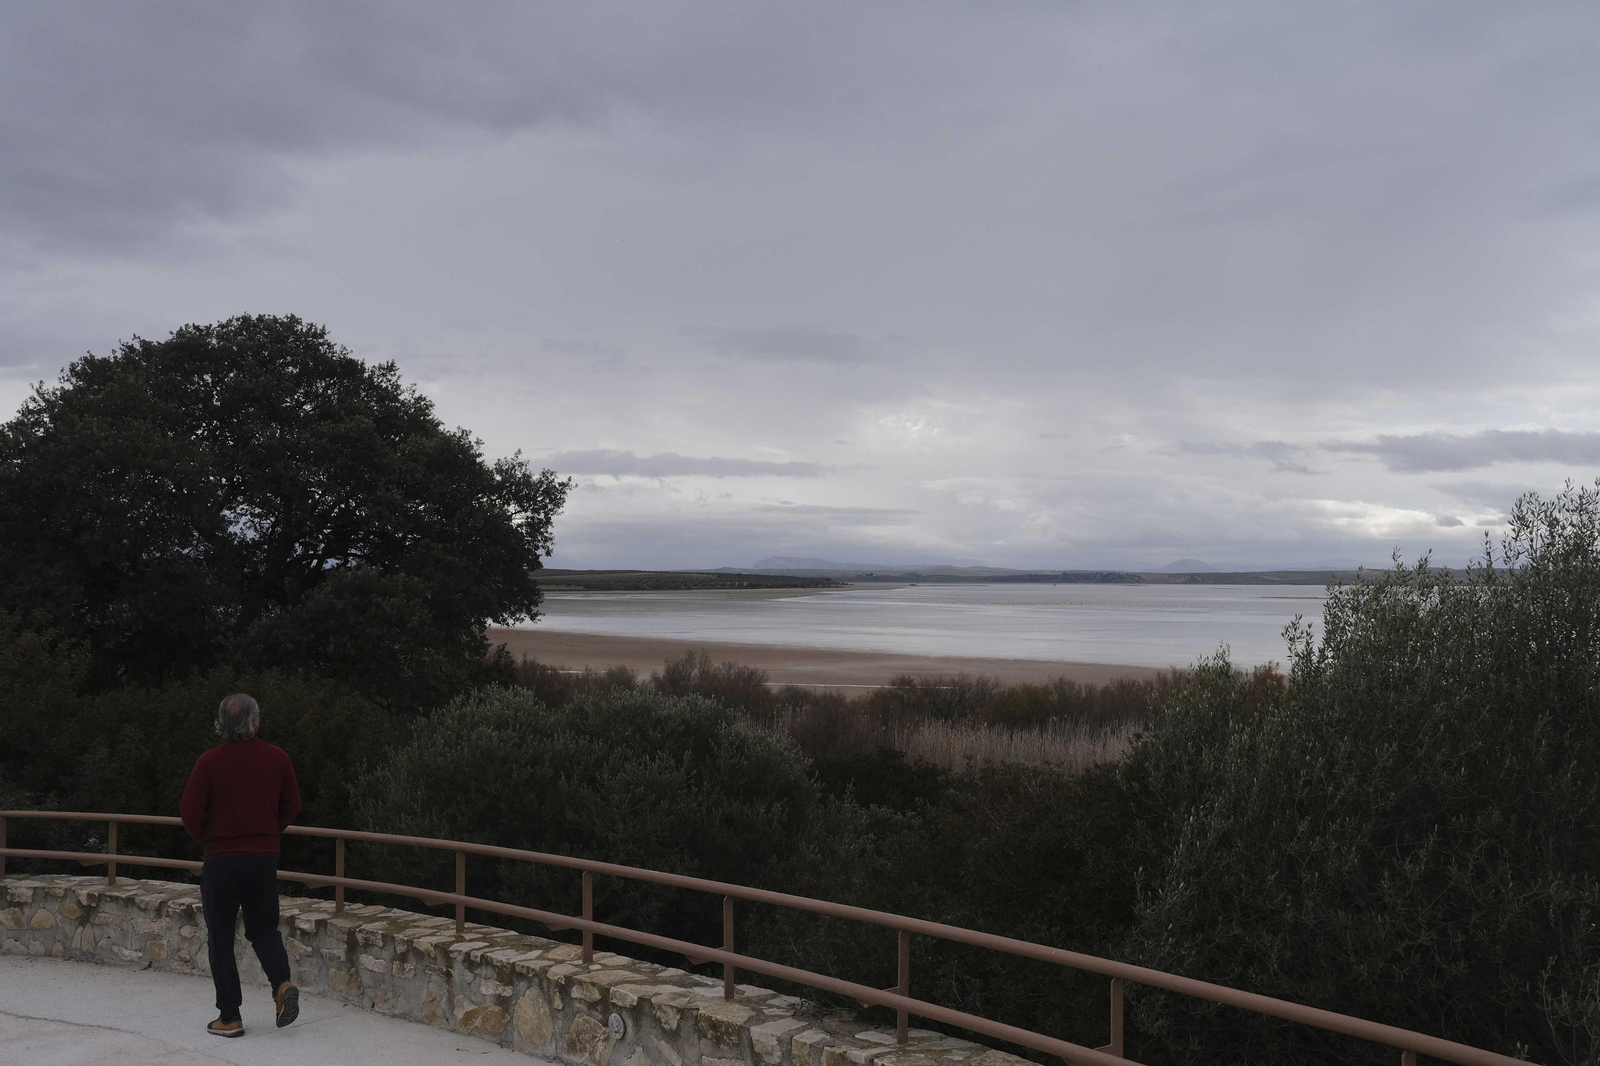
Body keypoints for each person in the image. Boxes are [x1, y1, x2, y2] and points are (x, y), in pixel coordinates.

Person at [179, 693, 303, 1038]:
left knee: (220, 935)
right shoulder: (277, 758)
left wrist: (208, 840)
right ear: (256, 722)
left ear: (221, 724)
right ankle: (281, 985)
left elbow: (189, 813)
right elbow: (292, 805)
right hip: (262, 859)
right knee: (263, 928)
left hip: (220, 861)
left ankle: (230, 1017)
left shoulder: (209, 762)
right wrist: (267, 832)